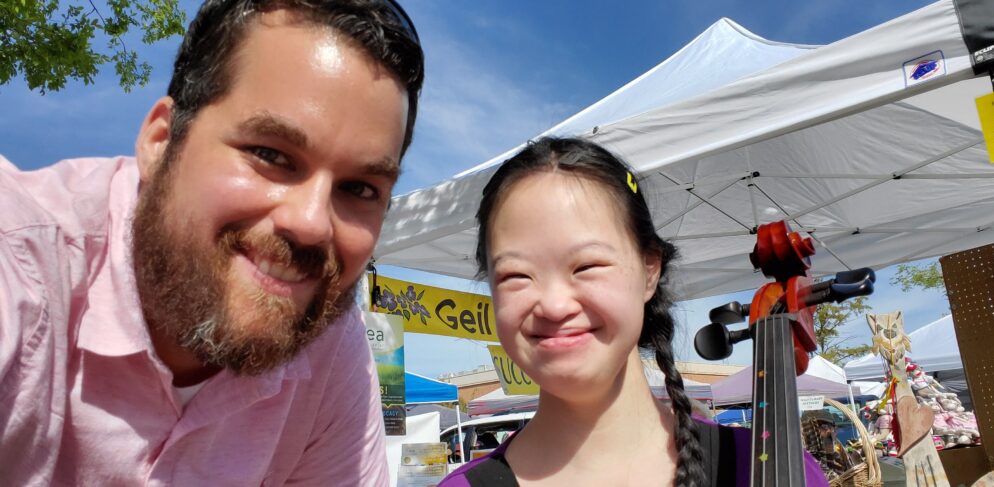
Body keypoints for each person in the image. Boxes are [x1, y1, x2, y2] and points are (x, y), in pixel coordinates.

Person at [0, 0, 423, 485]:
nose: (311, 224)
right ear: (161, 142)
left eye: (360, 189)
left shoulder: (327, 344)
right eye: (270, 154)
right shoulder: (20, 257)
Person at [440, 137, 828, 486]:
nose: (554, 305)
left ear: (649, 271)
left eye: (587, 266)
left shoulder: (750, 466)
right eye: (516, 275)